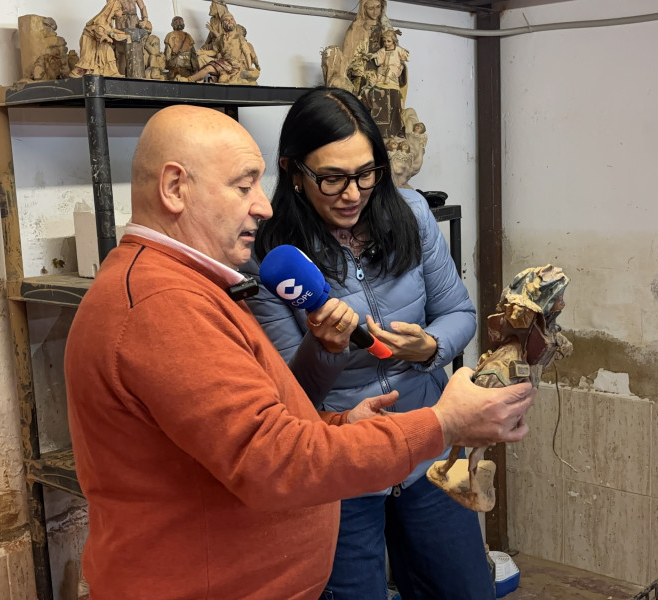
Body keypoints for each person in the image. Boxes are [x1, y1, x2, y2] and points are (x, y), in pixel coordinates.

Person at [65, 104, 536, 600]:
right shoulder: (165, 306)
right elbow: (273, 457)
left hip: (381, 450)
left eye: (365, 174)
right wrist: (443, 423)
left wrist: (353, 418)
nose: (261, 205)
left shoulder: (183, 289)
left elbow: (256, 427)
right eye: (244, 185)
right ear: (175, 187)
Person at [245, 87, 499, 600]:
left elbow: (461, 314)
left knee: (466, 589)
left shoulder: (409, 212)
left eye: (366, 174)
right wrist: (325, 347)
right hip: (344, 466)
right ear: (294, 171)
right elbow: (293, 393)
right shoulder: (269, 255)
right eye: (332, 178)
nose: (353, 193)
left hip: (428, 449)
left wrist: (428, 348)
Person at [71, 0, 126, 78]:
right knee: (87, 59)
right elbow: (98, 31)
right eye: (119, 9)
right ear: (113, 10)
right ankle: (77, 74)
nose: (122, 12)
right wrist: (106, 38)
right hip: (89, 40)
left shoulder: (109, 20)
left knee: (109, 54)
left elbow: (109, 29)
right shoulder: (100, 19)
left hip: (99, 41)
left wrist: (121, 33)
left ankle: (112, 72)